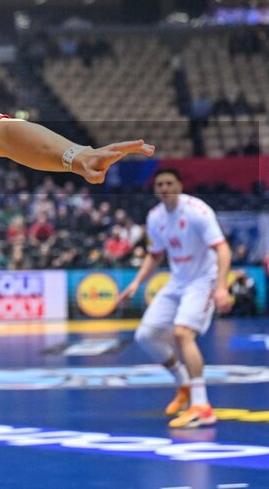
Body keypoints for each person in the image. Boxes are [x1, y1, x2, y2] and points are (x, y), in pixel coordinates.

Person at [117, 167, 232, 429]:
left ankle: (202, 407)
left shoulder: (198, 211)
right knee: (145, 336)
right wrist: (136, 282)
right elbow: (155, 255)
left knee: (182, 334)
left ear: (180, 186)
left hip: (203, 280)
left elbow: (222, 249)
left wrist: (222, 287)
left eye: (170, 183)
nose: (165, 188)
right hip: (177, 280)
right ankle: (183, 385)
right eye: (160, 184)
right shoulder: (155, 217)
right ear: (155, 189)